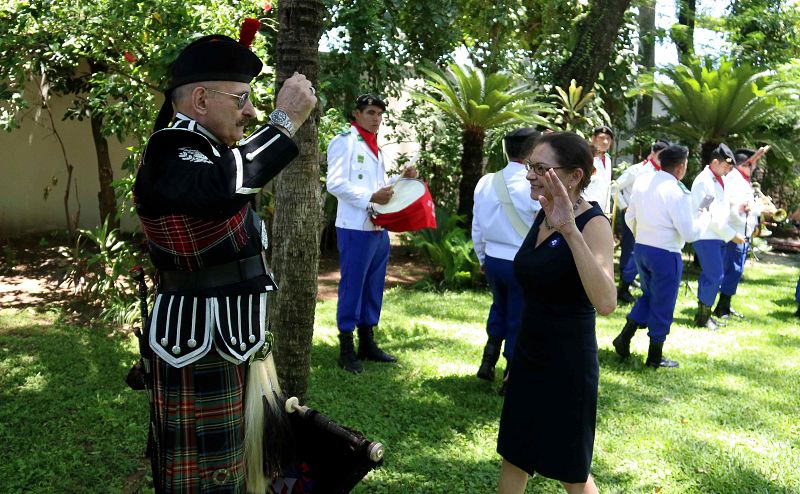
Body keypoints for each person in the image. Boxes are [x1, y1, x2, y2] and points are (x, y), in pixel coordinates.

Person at [133, 29, 317, 492]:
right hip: (199, 345)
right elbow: (221, 188)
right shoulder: (169, 148)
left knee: (235, 474)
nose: (250, 111)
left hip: (229, 340)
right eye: (241, 99)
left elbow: (230, 177)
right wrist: (283, 120)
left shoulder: (209, 151)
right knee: (205, 482)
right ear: (199, 99)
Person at [497, 132, 616, 494]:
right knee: (515, 454)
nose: (530, 174)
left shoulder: (593, 223)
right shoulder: (543, 211)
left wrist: (569, 231)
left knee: (570, 471)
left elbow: (607, 302)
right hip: (529, 353)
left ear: (574, 176)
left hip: (567, 362)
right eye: (530, 166)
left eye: (541, 167)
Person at [326, 94, 418, 373]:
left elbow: (380, 189)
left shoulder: (374, 145)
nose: (376, 118)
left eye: (379, 113)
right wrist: (370, 197)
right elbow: (335, 183)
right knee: (353, 286)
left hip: (378, 226)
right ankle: (346, 349)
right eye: (370, 112)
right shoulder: (344, 140)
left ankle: (367, 343)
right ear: (356, 113)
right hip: (355, 227)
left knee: (374, 286)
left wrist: (403, 179)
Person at [612, 145, 711, 368]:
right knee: (663, 303)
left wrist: (645, 233)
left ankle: (624, 337)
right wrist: (704, 216)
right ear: (681, 167)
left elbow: (630, 217)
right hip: (666, 253)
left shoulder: (643, 183)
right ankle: (655, 356)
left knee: (648, 296)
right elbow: (689, 233)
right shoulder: (677, 191)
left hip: (643, 248)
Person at [472, 127, 541, 395]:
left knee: (499, 308)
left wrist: (481, 257)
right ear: (533, 152)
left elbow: (477, 226)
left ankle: (488, 361)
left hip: (493, 258)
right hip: (520, 261)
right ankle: (510, 374)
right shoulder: (532, 184)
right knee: (519, 316)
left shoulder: (486, 181)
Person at [689, 143, 746, 330]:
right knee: (714, 275)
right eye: (725, 166)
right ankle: (703, 317)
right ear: (715, 162)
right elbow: (707, 214)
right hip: (707, 235)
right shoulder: (705, 181)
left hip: (716, 236)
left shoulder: (718, 180)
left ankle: (704, 315)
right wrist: (731, 235)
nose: (728, 170)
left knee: (715, 275)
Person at [612, 139, 670, 304]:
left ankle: (630, 280)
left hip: (652, 218)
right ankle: (624, 284)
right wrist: (624, 207)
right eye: (660, 155)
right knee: (631, 250)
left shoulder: (664, 172)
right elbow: (615, 187)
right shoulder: (639, 170)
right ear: (652, 153)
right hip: (634, 216)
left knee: (640, 251)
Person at [714, 147, 767, 320]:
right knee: (733, 270)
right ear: (746, 164)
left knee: (736, 270)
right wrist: (745, 209)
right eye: (754, 163)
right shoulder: (734, 180)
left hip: (741, 231)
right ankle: (722, 307)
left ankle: (725, 304)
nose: (756, 167)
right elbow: (729, 207)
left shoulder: (742, 179)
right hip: (734, 232)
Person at [583, 125, 614, 214]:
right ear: (593, 139)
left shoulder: (607, 160)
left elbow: (607, 187)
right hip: (585, 208)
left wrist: (607, 212)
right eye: (601, 138)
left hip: (601, 210)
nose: (605, 141)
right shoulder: (587, 157)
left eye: (608, 138)